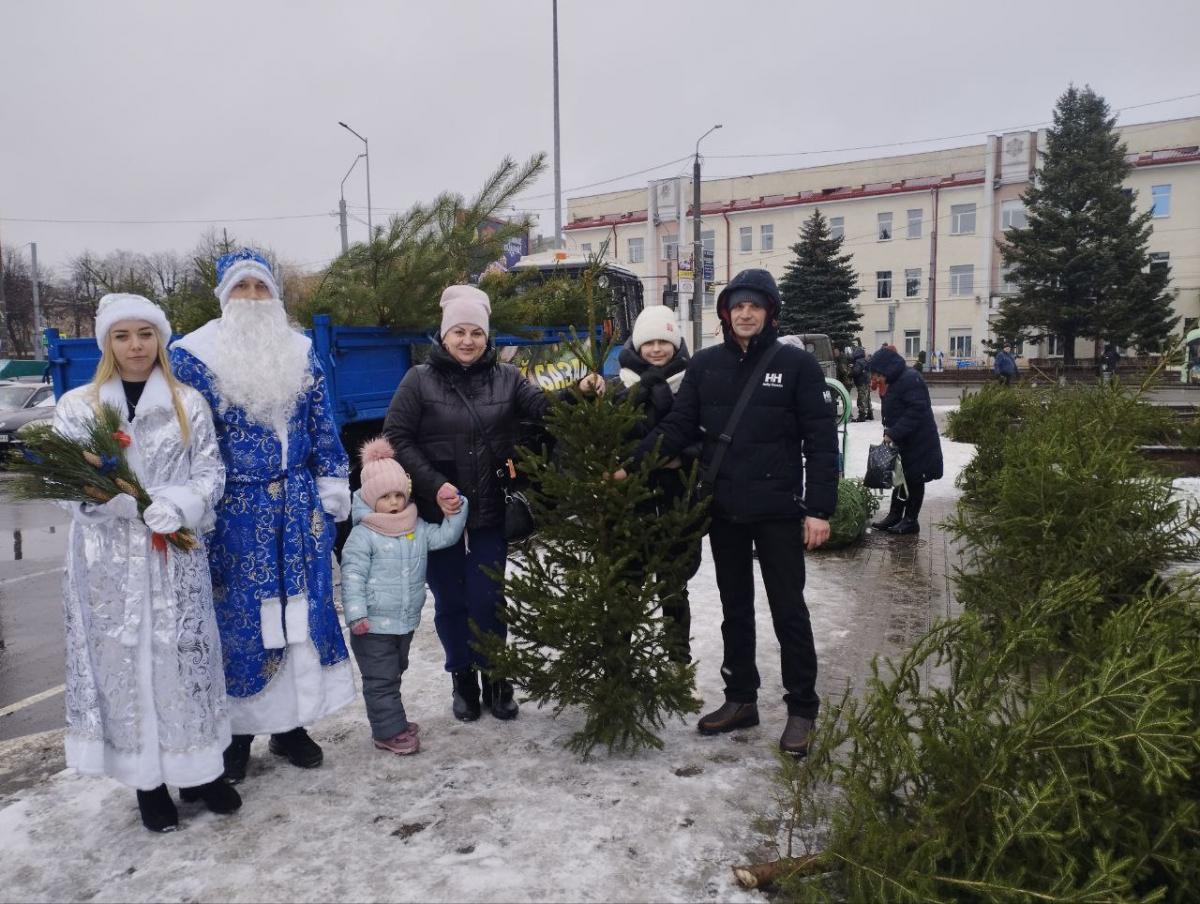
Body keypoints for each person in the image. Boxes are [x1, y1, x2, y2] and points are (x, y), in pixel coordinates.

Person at [614, 268, 838, 756]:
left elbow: (822, 442)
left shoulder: (796, 365)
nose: (745, 313)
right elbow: (677, 426)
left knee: (789, 611)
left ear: (770, 312)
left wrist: (819, 508)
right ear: (726, 313)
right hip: (726, 510)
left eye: (755, 305)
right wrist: (629, 466)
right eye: (738, 306)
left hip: (778, 511)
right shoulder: (707, 365)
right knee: (735, 609)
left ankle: (802, 707)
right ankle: (741, 699)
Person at [170, 249, 355, 783]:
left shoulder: (299, 351)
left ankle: (291, 725)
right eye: (241, 287)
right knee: (241, 620)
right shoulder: (193, 356)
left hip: (298, 506)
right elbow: (189, 443)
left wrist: (332, 486)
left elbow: (323, 423)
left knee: (302, 612)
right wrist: (197, 507)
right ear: (223, 296)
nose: (252, 298)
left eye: (261, 288)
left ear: (274, 296)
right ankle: (237, 734)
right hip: (235, 513)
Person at [56, 293, 238, 833]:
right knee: (128, 664)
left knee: (184, 659)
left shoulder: (187, 402)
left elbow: (211, 473)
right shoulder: (80, 407)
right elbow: (62, 482)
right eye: (122, 336)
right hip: (108, 562)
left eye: (145, 334)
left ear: (160, 338)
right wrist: (107, 503)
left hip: (173, 552)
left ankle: (199, 770)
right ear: (107, 343)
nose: (135, 346)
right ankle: (147, 782)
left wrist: (179, 504)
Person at [384, 285, 604, 722]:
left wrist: (578, 392)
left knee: (489, 600)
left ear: (487, 337)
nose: (468, 341)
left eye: (477, 333)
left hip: (488, 513)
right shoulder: (418, 380)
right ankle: (462, 678)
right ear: (444, 335)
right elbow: (397, 437)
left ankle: (496, 677)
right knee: (451, 602)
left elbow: (543, 409)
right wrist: (435, 485)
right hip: (438, 516)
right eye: (459, 332)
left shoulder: (507, 378)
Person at [341, 438, 468, 755]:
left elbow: (444, 537)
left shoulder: (416, 526)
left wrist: (457, 511)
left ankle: (392, 720)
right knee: (380, 679)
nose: (394, 502)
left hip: (403, 622)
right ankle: (389, 732)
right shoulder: (363, 535)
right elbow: (352, 576)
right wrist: (357, 615)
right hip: (371, 625)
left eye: (399, 495)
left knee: (394, 672)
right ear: (371, 499)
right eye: (385, 497)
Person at [612, 305, 700, 661]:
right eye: (649, 342)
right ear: (637, 345)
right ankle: (619, 665)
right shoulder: (620, 387)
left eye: (664, 341)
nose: (657, 349)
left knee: (674, 588)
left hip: (676, 502)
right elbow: (609, 440)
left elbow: (703, 438)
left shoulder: (691, 385)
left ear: (676, 345)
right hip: (629, 505)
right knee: (625, 588)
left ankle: (677, 661)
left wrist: (684, 456)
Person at [868, 345, 943, 536]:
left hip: (919, 440)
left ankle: (911, 520)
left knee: (915, 479)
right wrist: (891, 431)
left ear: (886, 368)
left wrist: (893, 433)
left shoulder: (910, 379)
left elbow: (916, 411)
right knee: (900, 477)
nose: (875, 377)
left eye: (877, 373)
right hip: (903, 439)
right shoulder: (895, 380)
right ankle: (895, 515)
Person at [850, 344, 873, 421]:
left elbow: (856, 372)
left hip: (861, 382)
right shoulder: (865, 361)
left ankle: (862, 416)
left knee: (861, 399)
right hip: (867, 381)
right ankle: (870, 414)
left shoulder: (858, 362)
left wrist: (851, 372)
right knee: (867, 398)